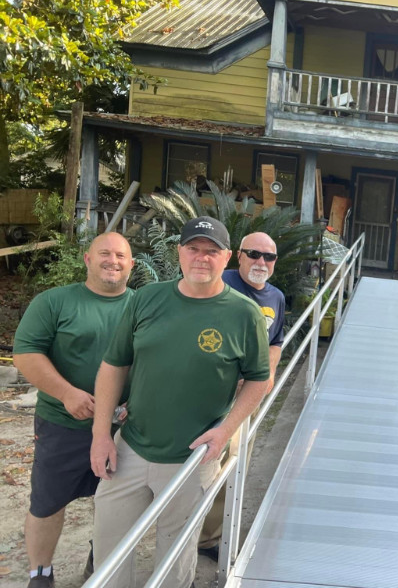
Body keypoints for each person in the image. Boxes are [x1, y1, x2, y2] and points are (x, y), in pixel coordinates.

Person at [90, 216, 270, 588]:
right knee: (110, 550)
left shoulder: (244, 314)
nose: (201, 258)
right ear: (179, 253)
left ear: (228, 258)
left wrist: (225, 432)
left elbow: (258, 380)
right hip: (131, 447)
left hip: (192, 459)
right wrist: (101, 434)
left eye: (211, 251)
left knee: (175, 559)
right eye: (193, 249)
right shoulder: (147, 299)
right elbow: (113, 365)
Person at [13, 232, 135, 588]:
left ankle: (100, 559)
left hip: (124, 427)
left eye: (121, 256)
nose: (113, 261)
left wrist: (137, 401)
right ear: (87, 259)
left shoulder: (144, 304)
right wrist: (66, 393)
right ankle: (41, 573)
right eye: (105, 253)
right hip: (64, 424)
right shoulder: (54, 302)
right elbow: (26, 354)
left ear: (131, 264)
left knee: (113, 501)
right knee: (48, 502)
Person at [197, 231, 285, 560]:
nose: (261, 262)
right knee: (200, 465)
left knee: (233, 466)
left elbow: (275, 341)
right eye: (254, 254)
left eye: (269, 257)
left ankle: (209, 539)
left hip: (246, 400)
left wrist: (270, 373)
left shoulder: (276, 297)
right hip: (211, 393)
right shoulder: (221, 283)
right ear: (239, 256)